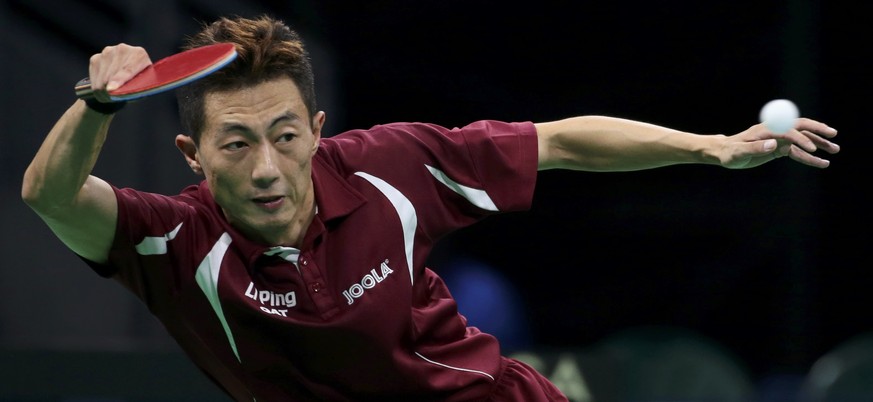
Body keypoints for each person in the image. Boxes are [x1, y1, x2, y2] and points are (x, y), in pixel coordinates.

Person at [21, 15, 839, 402]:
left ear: (315, 130)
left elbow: (555, 142)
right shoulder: (175, 240)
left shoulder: (388, 166)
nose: (268, 168)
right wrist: (98, 106)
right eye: (236, 145)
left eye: (283, 136)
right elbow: (50, 195)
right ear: (191, 158)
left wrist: (708, 147)